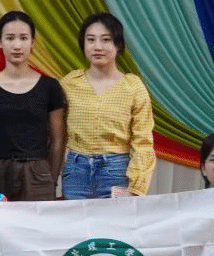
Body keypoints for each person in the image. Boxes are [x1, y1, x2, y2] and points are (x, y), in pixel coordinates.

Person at [0, 11, 67, 202]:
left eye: (23, 38)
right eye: (10, 38)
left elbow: (58, 140)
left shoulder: (50, 87)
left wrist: (51, 177)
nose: (17, 45)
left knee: (38, 221)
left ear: (33, 42)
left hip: (38, 172)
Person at [60, 12, 155, 199]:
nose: (98, 47)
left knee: (114, 220)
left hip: (117, 170)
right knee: (75, 219)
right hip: (76, 170)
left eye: (105, 40)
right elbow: (54, 129)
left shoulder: (133, 87)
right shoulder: (69, 83)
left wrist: (137, 186)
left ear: (118, 45)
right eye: (91, 40)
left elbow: (143, 141)